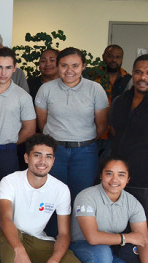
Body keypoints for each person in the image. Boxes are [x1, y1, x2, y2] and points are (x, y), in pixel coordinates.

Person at [0, 134, 84, 263]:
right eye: (37, 155)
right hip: (10, 236)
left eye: (48, 156)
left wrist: (53, 262)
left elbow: (64, 234)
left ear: (53, 160)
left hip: (37, 239)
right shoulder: (10, 181)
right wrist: (19, 250)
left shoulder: (60, 189)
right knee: (9, 234)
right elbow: (5, 219)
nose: (42, 161)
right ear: (27, 158)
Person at [35, 47, 109, 235]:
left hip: (85, 152)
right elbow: (42, 124)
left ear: (83, 66)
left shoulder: (95, 89)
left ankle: (77, 241)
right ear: (57, 66)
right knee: (53, 196)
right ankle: (51, 239)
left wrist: (80, 139)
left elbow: (101, 126)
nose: (69, 70)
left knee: (81, 198)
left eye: (75, 66)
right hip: (54, 152)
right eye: (64, 65)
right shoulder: (46, 89)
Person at [110, 54, 148, 263]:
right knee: (120, 227)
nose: (143, 77)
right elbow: (115, 132)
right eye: (139, 72)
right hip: (120, 178)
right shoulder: (122, 100)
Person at [0, 47, 36, 189]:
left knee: (5, 194)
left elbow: (29, 129)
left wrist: (9, 143)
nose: (3, 73)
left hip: (7, 154)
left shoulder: (23, 96)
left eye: (8, 68)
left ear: (15, 68)